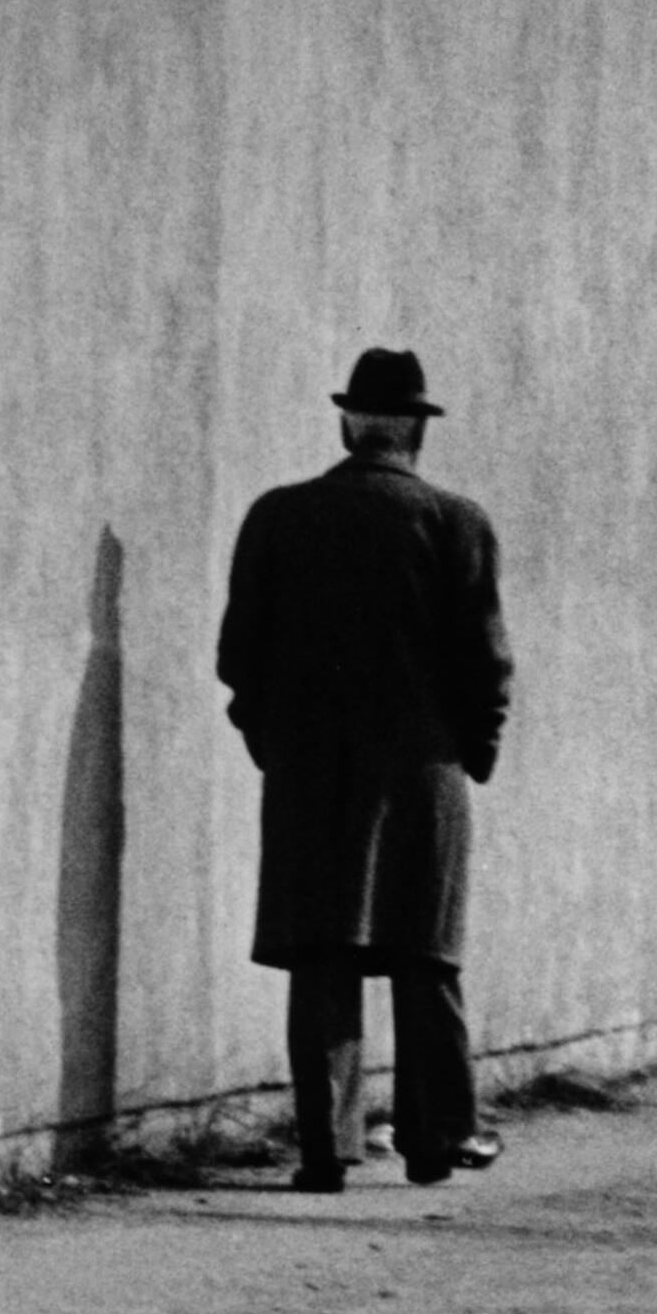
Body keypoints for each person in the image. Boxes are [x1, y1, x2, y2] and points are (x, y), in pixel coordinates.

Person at [216, 345, 514, 1191]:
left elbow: (239, 655)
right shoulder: (457, 522)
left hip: (310, 774)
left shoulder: (278, 515)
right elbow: (487, 661)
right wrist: (476, 751)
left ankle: (325, 1151)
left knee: (323, 955)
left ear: (349, 424)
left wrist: (274, 745)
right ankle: (436, 1137)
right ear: (417, 430)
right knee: (426, 957)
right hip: (424, 769)